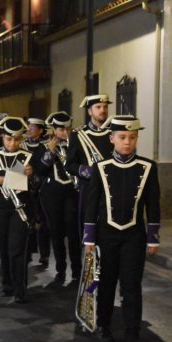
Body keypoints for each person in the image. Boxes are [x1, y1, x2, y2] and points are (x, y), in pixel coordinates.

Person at [83, 115, 160, 342]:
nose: (127, 142)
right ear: (112, 139)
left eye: (132, 137)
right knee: (106, 284)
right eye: (122, 137)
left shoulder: (147, 167)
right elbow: (91, 204)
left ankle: (132, 335)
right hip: (106, 235)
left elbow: (153, 204)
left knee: (131, 286)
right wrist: (89, 238)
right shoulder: (101, 168)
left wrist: (153, 236)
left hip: (134, 236)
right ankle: (104, 326)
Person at [0, 116, 34, 303]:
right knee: (4, 248)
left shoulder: (27, 157)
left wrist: (31, 175)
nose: (12, 143)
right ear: (2, 138)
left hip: (19, 208)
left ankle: (20, 289)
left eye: (16, 139)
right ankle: (7, 286)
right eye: (8, 139)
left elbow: (37, 184)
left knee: (17, 249)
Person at [39, 112, 81, 283]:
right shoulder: (45, 145)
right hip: (52, 195)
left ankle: (77, 270)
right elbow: (41, 169)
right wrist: (50, 152)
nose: (65, 132)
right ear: (54, 130)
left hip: (72, 193)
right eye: (61, 129)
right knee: (55, 233)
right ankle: (60, 270)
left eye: (68, 129)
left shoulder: (76, 144)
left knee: (73, 234)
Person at [65, 94, 113, 236]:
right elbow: (70, 165)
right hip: (89, 188)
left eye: (105, 107)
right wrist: (88, 171)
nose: (103, 110)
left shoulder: (114, 133)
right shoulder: (78, 135)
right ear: (90, 111)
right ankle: (89, 258)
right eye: (98, 107)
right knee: (88, 230)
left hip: (111, 188)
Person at [23, 117, 51, 268]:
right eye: (28, 126)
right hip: (25, 189)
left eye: (33, 127)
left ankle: (44, 254)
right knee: (27, 223)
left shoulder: (44, 147)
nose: (29, 129)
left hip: (41, 189)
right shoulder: (21, 146)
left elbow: (45, 168)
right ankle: (27, 253)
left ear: (40, 131)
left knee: (43, 223)